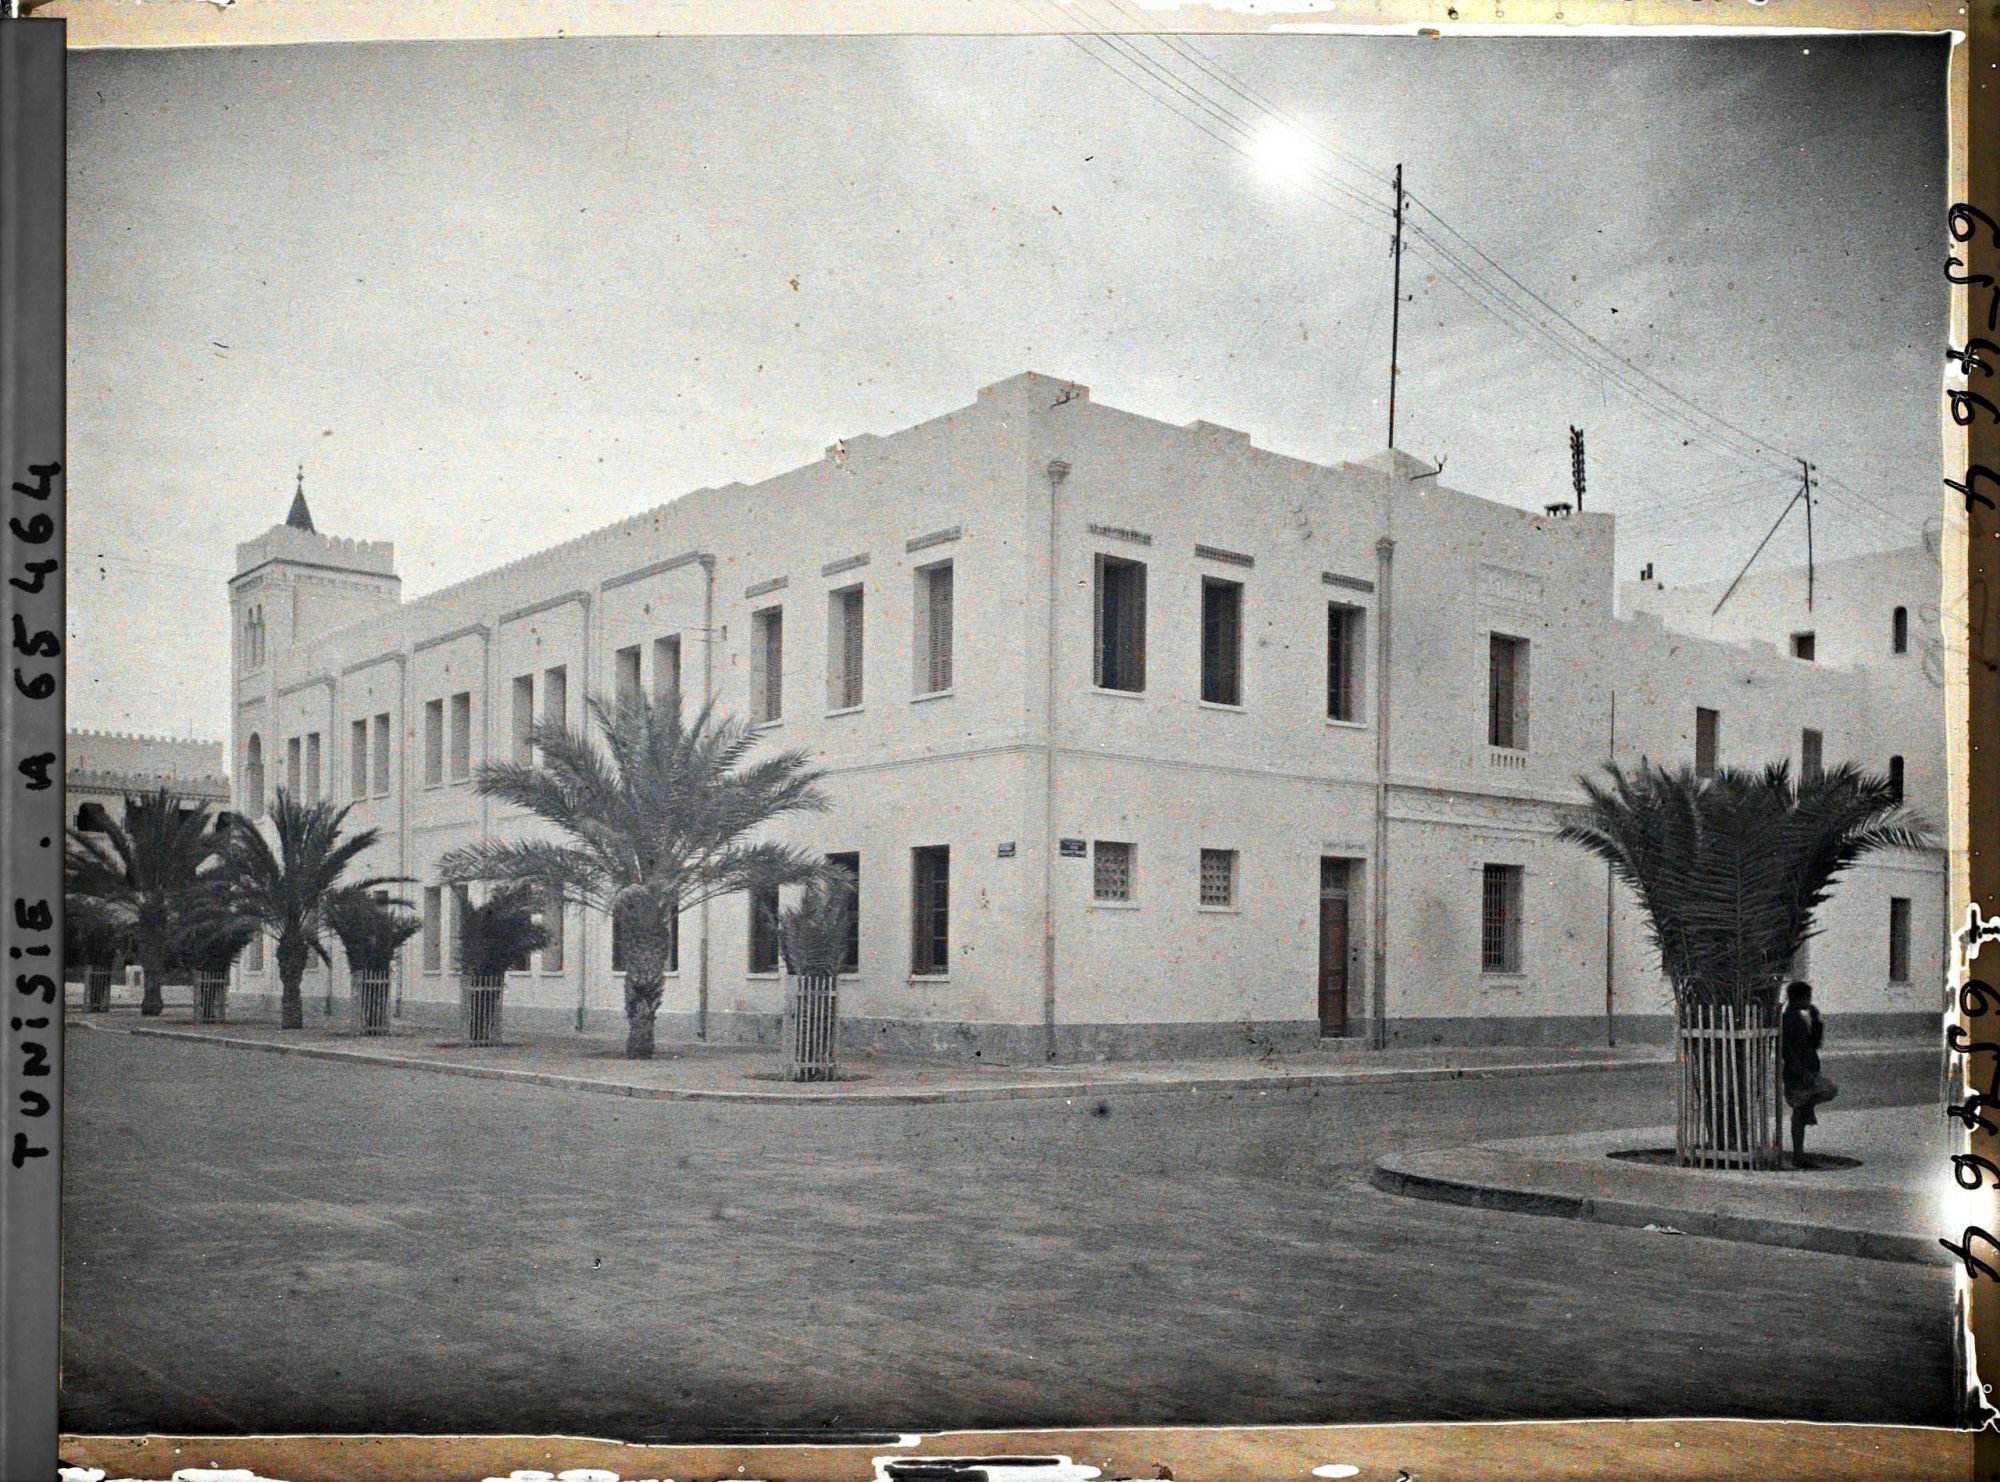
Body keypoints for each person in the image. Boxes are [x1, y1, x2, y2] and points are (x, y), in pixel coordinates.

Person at [1781, 980, 1838, 1169]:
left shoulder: (1799, 1018)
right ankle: (1799, 1154)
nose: (1809, 1001)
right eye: (1807, 998)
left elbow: (1814, 1043)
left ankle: (1800, 1152)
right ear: (1800, 998)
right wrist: (1801, 1071)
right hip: (1798, 1074)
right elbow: (1788, 1050)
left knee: (1809, 1102)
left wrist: (1816, 1021)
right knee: (1803, 1107)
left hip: (1808, 1071)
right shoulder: (1789, 1020)